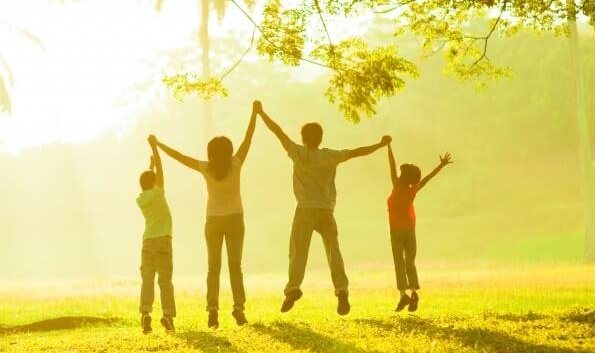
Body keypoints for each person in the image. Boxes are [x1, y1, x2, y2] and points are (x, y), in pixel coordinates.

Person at [256, 103, 390, 315]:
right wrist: (381, 144)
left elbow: (278, 132)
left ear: (303, 138)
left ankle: (292, 290)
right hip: (326, 210)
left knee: (298, 252)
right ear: (320, 138)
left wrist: (261, 113)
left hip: (304, 210)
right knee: (333, 250)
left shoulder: (297, 153)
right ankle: (342, 290)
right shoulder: (330, 156)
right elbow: (357, 152)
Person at [150, 102, 259, 329]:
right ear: (229, 151)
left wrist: (158, 145)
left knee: (213, 267)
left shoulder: (205, 167)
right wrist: (254, 113)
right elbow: (248, 139)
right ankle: (239, 309)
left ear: (210, 152)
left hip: (213, 221)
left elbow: (179, 156)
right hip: (235, 218)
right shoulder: (236, 163)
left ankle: (212, 311)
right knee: (235, 265)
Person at [386, 143, 452, 312]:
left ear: (403, 177)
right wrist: (441, 165)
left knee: (399, 263)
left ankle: (403, 295)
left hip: (396, 232)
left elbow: (392, 165)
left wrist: (388, 146)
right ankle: (413, 293)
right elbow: (427, 178)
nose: (398, 174)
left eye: (401, 174)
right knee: (410, 263)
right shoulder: (412, 190)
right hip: (409, 231)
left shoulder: (396, 186)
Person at [136, 139, 175, 333]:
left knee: (147, 280)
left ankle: (145, 313)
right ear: (154, 182)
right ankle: (167, 315)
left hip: (147, 242)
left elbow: (147, 181)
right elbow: (160, 167)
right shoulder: (159, 193)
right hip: (163, 241)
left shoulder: (142, 199)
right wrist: (155, 146)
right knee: (165, 281)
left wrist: (149, 166)